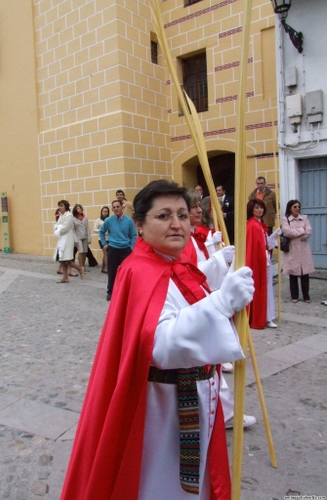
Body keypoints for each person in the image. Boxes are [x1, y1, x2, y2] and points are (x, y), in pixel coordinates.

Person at [60, 180, 254, 500]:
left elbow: (191, 305)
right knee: (164, 486)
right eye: (164, 216)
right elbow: (162, 346)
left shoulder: (177, 265)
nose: (177, 224)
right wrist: (221, 303)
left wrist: (224, 289)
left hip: (197, 399)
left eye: (182, 214)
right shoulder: (139, 270)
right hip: (164, 410)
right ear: (140, 225)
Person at [185, 190, 256, 428]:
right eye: (193, 207)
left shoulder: (195, 237)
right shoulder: (187, 240)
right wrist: (216, 260)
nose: (198, 210)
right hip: (196, 304)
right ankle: (222, 414)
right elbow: (191, 274)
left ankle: (223, 412)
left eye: (198, 206)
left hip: (203, 297)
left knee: (209, 365)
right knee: (206, 363)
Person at [246, 199, 281, 328]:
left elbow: (265, 244)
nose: (260, 210)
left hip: (265, 260)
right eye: (256, 208)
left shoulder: (260, 225)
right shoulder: (253, 225)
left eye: (261, 208)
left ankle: (268, 315)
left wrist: (273, 237)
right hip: (261, 262)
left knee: (267, 289)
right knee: (262, 289)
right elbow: (255, 247)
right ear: (251, 209)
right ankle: (264, 317)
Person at [99, 199, 137, 301]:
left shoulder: (129, 221)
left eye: (118, 206)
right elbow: (101, 232)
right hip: (113, 248)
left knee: (126, 272)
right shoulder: (108, 220)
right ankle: (110, 292)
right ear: (112, 209)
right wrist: (104, 244)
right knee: (112, 271)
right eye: (114, 207)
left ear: (122, 207)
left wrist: (131, 248)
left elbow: (133, 235)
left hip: (126, 249)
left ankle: (127, 292)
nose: (116, 209)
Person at [281, 200, 315, 303]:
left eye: (298, 206)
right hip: (292, 249)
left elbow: (308, 231)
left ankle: (306, 296)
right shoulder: (285, 219)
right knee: (293, 273)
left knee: (305, 273)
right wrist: (301, 231)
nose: (297, 208)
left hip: (304, 249)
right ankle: (294, 295)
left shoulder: (304, 218)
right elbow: (287, 232)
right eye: (295, 206)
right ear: (290, 208)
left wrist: (296, 234)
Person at [53, 200, 84, 283]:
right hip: (62, 240)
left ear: (66, 207)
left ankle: (80, 268)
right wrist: (58, 228)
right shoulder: (61, 215)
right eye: (59, 205)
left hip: (67, 240)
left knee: (67, 260)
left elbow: (64, 228)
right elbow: (56, 225)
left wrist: (58, 228)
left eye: (62, 205)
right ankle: (65, 277)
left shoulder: (69, 216)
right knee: (62, 260)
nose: (60, 207)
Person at [72, 204, 90, 271]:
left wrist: (89, 238)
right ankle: (80, 267)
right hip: (78, 237)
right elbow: (73, 230)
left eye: (80, 208)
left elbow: (87, 228)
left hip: (85, 236)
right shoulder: (73, 219)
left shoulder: (85, 218)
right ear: (75, 210)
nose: (79, 210)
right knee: (81, 251)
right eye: (78, 209)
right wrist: (75, 240)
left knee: (85, 251)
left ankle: (83, 266)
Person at [93, 206, 110, 273]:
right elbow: (94, 230)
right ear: (101, 212)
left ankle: (103, 268)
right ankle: (108, 268)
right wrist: (101, 230)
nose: (105, 213)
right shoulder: (98, 221)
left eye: (106, 211)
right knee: (106, 253)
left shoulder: (110, 220)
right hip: (102, 239)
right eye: (104, 211)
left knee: (105, 254)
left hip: (109, 238)